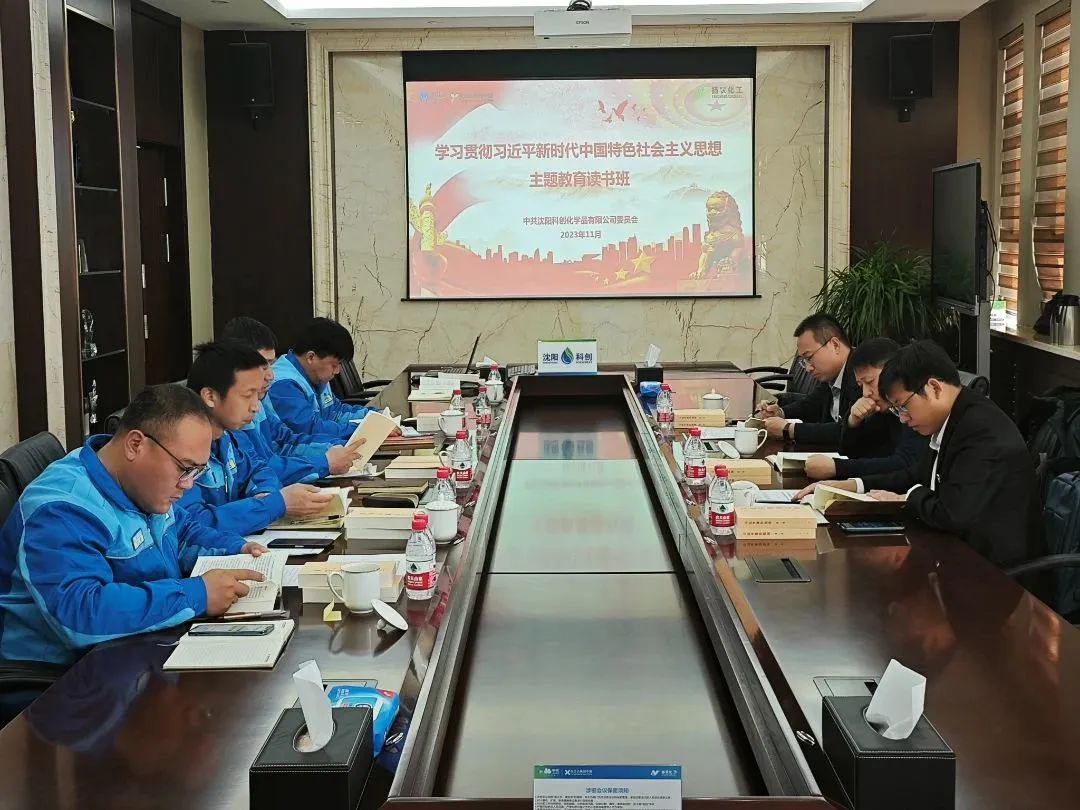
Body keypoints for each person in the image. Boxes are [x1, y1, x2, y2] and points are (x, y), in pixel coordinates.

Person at [0, 385, 265, 667]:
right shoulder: (61, 507)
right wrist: (196, 594)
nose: (188, 484)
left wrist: (237, 549)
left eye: (197, 472)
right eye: (184, 468)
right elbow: (80, 614)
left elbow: (182, 530)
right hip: (64, 676)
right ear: (135, 444)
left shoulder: (139, 484)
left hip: (133, 648)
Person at [798, 340, 1041, 567]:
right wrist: (851, 486)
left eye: (903, 406)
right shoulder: (955, 417)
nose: (902, 418)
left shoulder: (981, 431)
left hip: (994, 573)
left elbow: (953, 514)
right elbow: (914, 475)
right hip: (957, 554)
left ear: (934, 388)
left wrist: (907, 497)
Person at [179, 341, 334, 536]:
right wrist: (271, 506)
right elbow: (195, 524)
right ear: (210, 396)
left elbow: (260, 470)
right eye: (247, 396)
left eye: (257, 395)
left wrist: (265, 497)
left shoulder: (229, 436)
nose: (256, 407)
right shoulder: (179, 453)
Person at [219, 317, 364, 481]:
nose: (271, 375)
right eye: (262, 366)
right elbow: (257, 471)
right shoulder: (280, 386)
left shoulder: (259, 401)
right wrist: (325, 462)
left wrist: (341, 446)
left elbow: (285, 440)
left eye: (270, 364)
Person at [802, 337, 929, 480]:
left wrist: (838, 468)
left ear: (893, 371)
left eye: (870, 382)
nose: (865, 393)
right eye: (861, 385)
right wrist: (853, 422)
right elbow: (853, 453)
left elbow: (905, 463)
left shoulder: (914, 407)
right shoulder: (881, 409)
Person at [268, 317, 395, 441]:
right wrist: (367, 429)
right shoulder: (283, 384)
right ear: (311, 357)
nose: (337, 371)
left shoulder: (316, 375)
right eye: (334, 365)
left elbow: (336, 412)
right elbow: (310, 429)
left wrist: (374, 415)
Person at [757, 313, 860, 446]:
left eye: (809, 357)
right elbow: (811, 404)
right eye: (804, 361)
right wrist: (780, 413)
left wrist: (790, 430)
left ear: (835, 345)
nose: (807, 368)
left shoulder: (862, 375)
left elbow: (847, 431)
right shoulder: (832, 376)